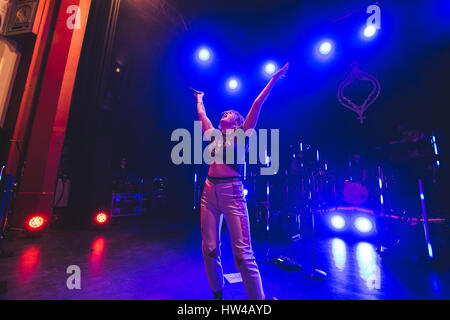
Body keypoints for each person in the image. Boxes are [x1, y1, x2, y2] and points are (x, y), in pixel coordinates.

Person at [195, 62, 289, 300]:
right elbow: (202, 114)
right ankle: (218, 298)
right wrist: (200, 97)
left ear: (236, 122)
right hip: (209, 191)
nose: (223, 114)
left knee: (242, 255)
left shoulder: (242, 134)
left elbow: (257, 104)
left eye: (229, 113)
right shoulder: (213, 136)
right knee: (209, 249)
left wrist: (274, 79)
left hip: (232, 192)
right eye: (223, 113)